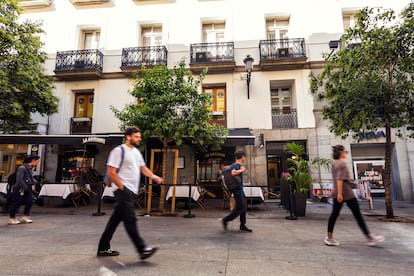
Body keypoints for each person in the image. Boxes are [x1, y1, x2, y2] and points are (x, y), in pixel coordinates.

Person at [97, 127, 163, 260]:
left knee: (115, 220)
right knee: (130, 219)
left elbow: (143, 168)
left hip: (132, 191)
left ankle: (103, 248)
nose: (139, 139)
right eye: (136, 136)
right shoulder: (118, 151)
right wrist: (122, 187)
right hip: (123, 190)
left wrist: (154, 176)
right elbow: (111, 172)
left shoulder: (136, 152)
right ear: (128, 136)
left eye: (139, 137)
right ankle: (142, 249)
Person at [324, 145, 384, 246]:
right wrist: (340, 193)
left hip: (339, 192)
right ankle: (369, 237)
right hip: (346, 193)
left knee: (334, 214)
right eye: (345, 152)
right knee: (357, 215)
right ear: (341, 153)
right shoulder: (342, 164)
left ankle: (329, 237)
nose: (346, 153)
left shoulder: (334, 163)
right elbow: (339, 179)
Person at [221, 151, 252, 232]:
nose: (245, 158)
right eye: (244, 156)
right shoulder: (236, 165)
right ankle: (225, 220)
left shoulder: (237, 165)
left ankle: (242, 225)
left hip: (240, 191)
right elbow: (233, 173)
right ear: (242, 157)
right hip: (238, 192)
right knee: (238, 210)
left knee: (244, 208)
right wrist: (242, 170)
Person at [8, 155, 40, 225]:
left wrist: (36, 182)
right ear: (33, 160)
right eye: (37, 161)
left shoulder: (30, 168)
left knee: (30, 201)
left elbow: (29, 178)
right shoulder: (22, 168)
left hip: (27, 187)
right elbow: (19, 179)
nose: (38, 163)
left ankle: (25, 216)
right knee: (16, 202)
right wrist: (25, 188)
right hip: (20, 188)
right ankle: (12, 218)